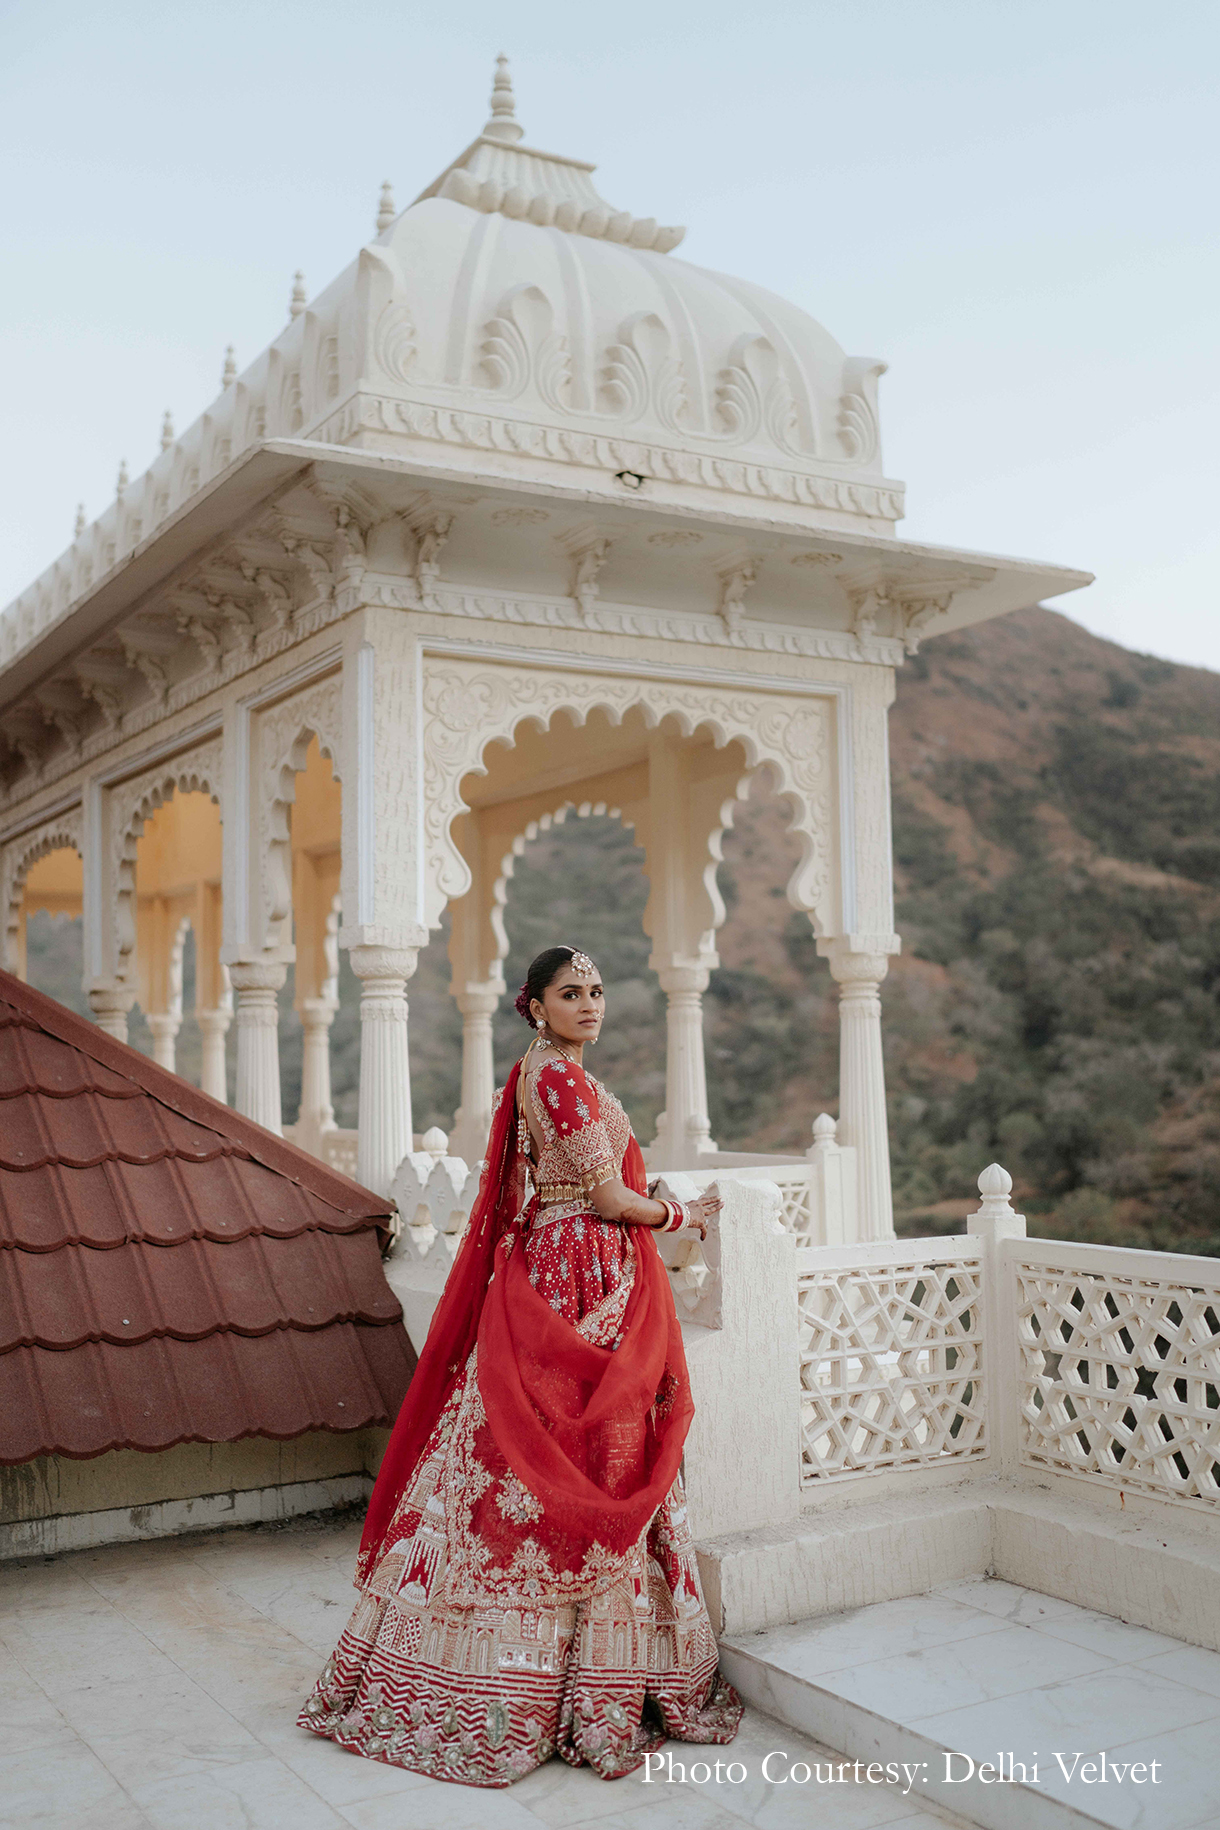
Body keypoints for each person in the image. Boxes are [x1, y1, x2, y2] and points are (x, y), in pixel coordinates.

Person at [298, 944, 743, 1786]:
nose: (591, 1005)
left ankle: (525, 1671)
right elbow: (609, 1199)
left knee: (525, 1460)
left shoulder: (540, 1073)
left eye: (599, 991)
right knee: (581, 1457)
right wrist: (684, 1214)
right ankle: (558, 1686)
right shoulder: (560, 1080)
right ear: (535, 1005)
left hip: (564, 1267)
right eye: (571, 993)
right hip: (579, 1272)